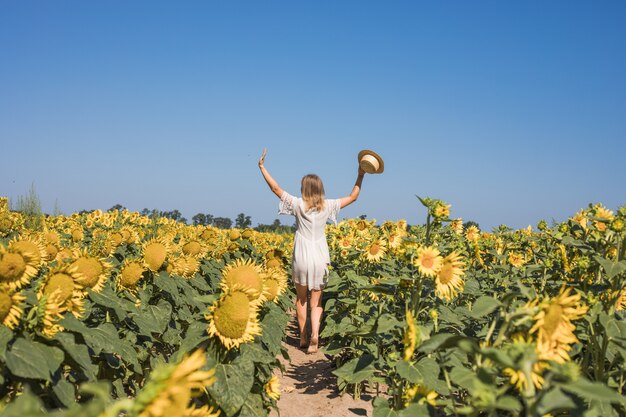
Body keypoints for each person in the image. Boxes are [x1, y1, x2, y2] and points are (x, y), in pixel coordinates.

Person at [258, 148, 365, 353]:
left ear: (304, 188)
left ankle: (304, 337)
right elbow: (353, 197)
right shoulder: (329, 206)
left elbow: (275, 188)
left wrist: (262, 167)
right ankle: (315, 333)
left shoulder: (298, 205)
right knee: (316, 301)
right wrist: (361, 173)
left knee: (301, 299)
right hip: (320, 257)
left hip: (301, 256)